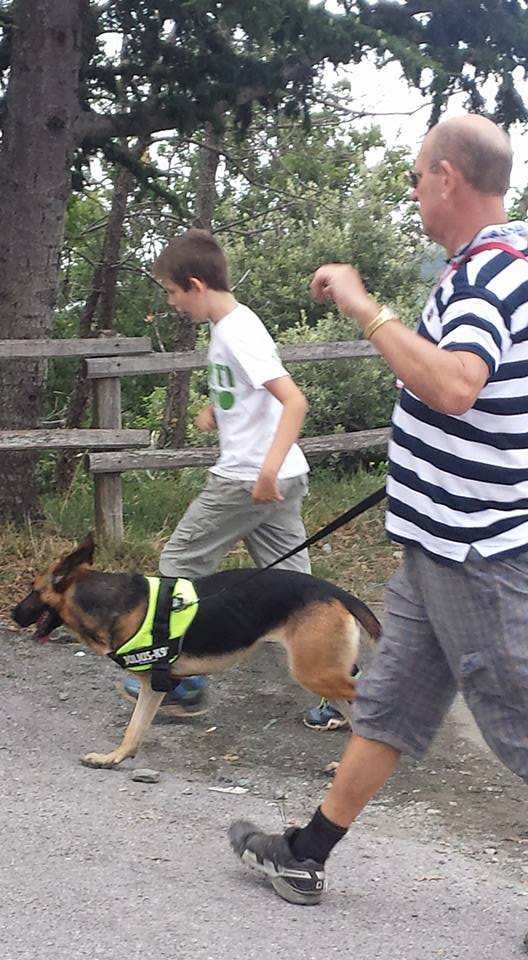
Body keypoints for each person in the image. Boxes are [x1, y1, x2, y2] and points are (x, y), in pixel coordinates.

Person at [228, 113, 528, 907]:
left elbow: (456, 384)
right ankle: (304, 852)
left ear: (447, 178)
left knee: (521, 722)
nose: (413, 192)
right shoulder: (491, 267)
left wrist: (365, 307)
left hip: (476, 554)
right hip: (438, 546)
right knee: (388, 704)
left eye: (415, 177)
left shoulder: (491, 273)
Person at [123, 227, 311, 712]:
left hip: (249, 477)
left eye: (171, 292)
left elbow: (294, 402)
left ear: (196, 285)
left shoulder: (240, 330)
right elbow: (246, 389)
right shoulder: (228, 325)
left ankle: (179, 681)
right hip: (281, 475)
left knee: (178, 564)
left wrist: (265, 471)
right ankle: (347, 688)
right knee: (296, 589)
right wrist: (217, 409)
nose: (171, 303)